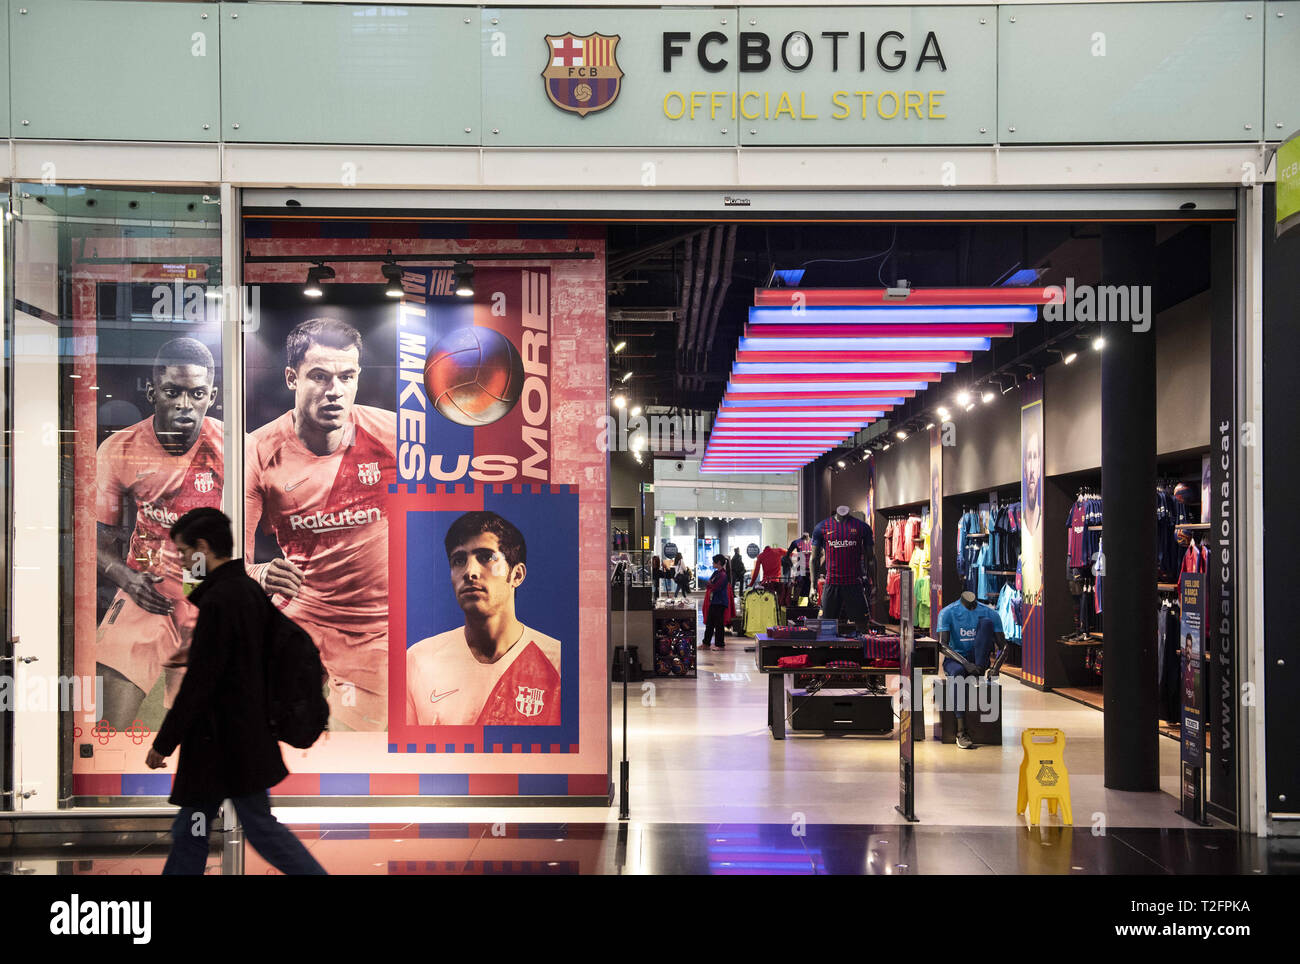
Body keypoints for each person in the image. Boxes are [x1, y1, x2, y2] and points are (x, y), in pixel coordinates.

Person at [146, 507, 326, 876]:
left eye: (184, 553)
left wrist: (163, 743)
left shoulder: (223, 599)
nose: (181, 562)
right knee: (201, 829)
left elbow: (200, 683)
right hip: (239, 740)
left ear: (202, 547)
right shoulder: (239, 590)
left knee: (232, 830)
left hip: (223, 743)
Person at [245, 317, 396, 731]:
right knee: (268, 741)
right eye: (320, 376)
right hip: (299, 618)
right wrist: (259, 572)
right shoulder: (255, 452)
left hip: (374, 631)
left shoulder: (397, 437)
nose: (335, 391)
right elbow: (203, 569)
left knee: (352, 757)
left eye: (347, 377)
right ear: (292, 377)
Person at [95, 338, 224, 729]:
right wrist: (127, 578)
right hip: (146, 589)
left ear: (212, 396)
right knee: (106, 729)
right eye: (173, 392)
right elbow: (96, 541)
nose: (185, 405)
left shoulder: (237, 449)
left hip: (210, 597)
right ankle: (104, 791)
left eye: (197, 394)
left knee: (202, 736)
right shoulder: (118, 450)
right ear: (153, 392)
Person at [406, 511, 561, 726]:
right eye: (459, 560)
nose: (470, 572)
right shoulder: (418, 659)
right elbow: (408, 755)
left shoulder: (558, 662)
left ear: (517, 575)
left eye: (486, 557)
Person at [700, 554, 732, 649]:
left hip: (720, 602)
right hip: (714, 601)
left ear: (718, 563)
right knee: (710, 623)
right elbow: (709, 584)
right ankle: (706, 643)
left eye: (714, 562)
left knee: (718, 624)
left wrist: (710, 585)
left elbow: (715, 587)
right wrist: (710, 585)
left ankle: (719, 644)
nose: (712, 563)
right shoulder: (716, 573)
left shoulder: (722, 575)